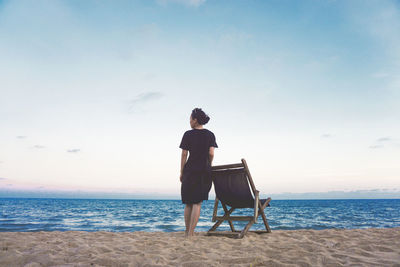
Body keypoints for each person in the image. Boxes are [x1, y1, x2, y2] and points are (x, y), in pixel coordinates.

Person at [179, 108, 218, 237]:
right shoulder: (210, 135)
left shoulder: (188, 134)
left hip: (190, 170)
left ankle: (186, 231)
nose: (189, 121)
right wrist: (209, 164)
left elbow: (184, 154)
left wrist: (181, 171)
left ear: (195, 120)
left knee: (188, 202)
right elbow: (211, 153)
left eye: (190, 119)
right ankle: (191, 233)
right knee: (197, 203)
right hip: (204, 171)